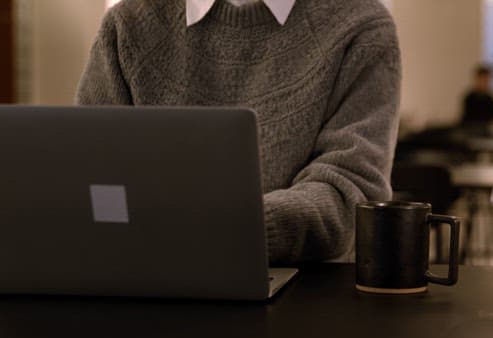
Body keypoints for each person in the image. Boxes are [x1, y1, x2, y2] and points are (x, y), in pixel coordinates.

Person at [76, 0, 401, 265]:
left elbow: (350, 195)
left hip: (304, 301)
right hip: (140, 285)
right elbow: (90, 181)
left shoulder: (361, 26)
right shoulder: (126, 25)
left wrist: (230, 229)